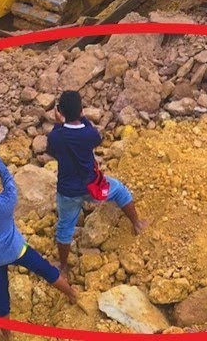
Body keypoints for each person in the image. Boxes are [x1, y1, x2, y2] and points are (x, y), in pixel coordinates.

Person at [0, 142, 78, 339]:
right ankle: (71, 294)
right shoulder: (8, 199)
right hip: (14, 249)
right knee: (44, 269)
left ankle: (7, 334)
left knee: (0, 295)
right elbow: (7, 177)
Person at [46, 90, 147, 278]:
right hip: (92, 186)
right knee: (120, 191)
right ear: (81, 110)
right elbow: (96, 139)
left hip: (68, 191)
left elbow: (51, 151)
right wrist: (83, 119)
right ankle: (137, 223)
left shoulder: (56, 136)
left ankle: (63, 267)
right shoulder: (89, 133)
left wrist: (58, 125)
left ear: (60, 111)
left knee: (65, 227)